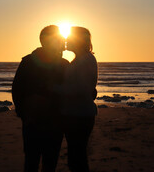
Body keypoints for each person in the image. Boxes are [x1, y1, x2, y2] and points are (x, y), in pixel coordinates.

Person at [12, 25, 69, 172]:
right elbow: (17, 89)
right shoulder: (31, 62)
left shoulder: (61, 63)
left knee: (40, 161)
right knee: (37, 161)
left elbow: (17, 89)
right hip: (38, 120)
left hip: (49, 120)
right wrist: (24, 113)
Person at [59, 26, 98, 172]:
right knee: (76, 157)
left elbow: (81, 89)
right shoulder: (81, 59)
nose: (66, 40)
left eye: (70, 37)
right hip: (76, 114)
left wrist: (53, 88)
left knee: (77, 158)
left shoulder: (86, 60)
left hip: (79, 115)